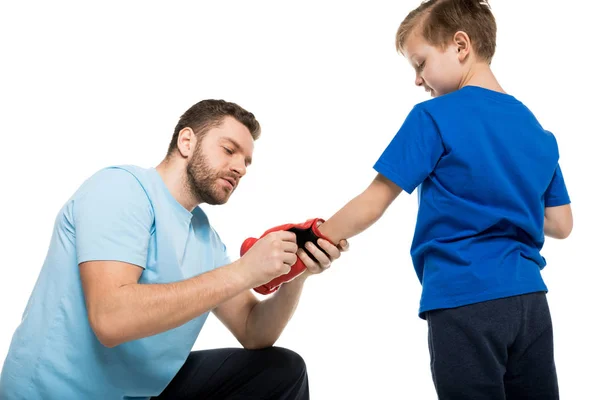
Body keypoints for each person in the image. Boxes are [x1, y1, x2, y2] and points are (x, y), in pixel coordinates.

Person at [0, 99, 348, 399]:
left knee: (280, 370)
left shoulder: (204, 238)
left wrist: (294, 274)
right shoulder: (120, 190)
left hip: (139, 394)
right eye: (229, 150)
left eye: (247, 162)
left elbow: (253, 331)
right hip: (55, 396)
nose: (240, 168)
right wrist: (244, 271)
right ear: (186, 142)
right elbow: (110, 319)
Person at [314, 1, 573, 398]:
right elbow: (561, 224)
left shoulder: (433, 117)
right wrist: (504, 200)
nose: (418, 80)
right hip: (530, 302)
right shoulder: (536, 129)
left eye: (420, 63)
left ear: (460, 45)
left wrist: (314, 237)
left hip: (465, 298)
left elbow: (374, 201)